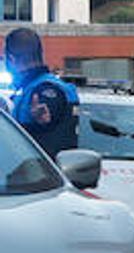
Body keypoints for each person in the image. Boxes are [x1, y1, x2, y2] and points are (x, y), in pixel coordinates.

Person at [3, 28, 79, 157]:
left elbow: (47, 116)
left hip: (39, 171)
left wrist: (42, 121)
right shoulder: (29, 89)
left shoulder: (44, 90)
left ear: (11, 59)